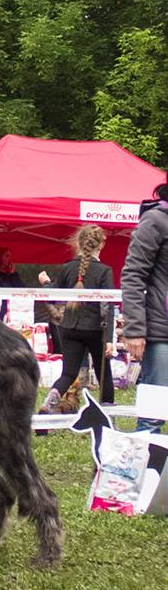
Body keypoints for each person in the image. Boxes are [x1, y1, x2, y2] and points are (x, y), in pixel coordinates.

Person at [38, 225, 115, 413]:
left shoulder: (66, 268)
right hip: (95, 329)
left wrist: (46, 283)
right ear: (101, 246)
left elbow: (52, 294)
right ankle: (107, 417)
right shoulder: (104, 271)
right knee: (104, 375)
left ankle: (49, 403)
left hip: (69, 328)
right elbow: (107, 306)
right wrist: (109, 339)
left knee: (68, 373)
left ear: (78, 243)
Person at [121, 182, 168, 434]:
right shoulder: (155, 221)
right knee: (153, 416)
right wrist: (135, 329)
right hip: (162, 334)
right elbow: (133, 276)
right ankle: (145, 471)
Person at [0, 246, 23, 320]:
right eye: (6, 256)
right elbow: (5, 287)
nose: (9, 259)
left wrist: (13, 274)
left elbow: (21, 288)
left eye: (10, 256)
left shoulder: (11, 273)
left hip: (12, 308)